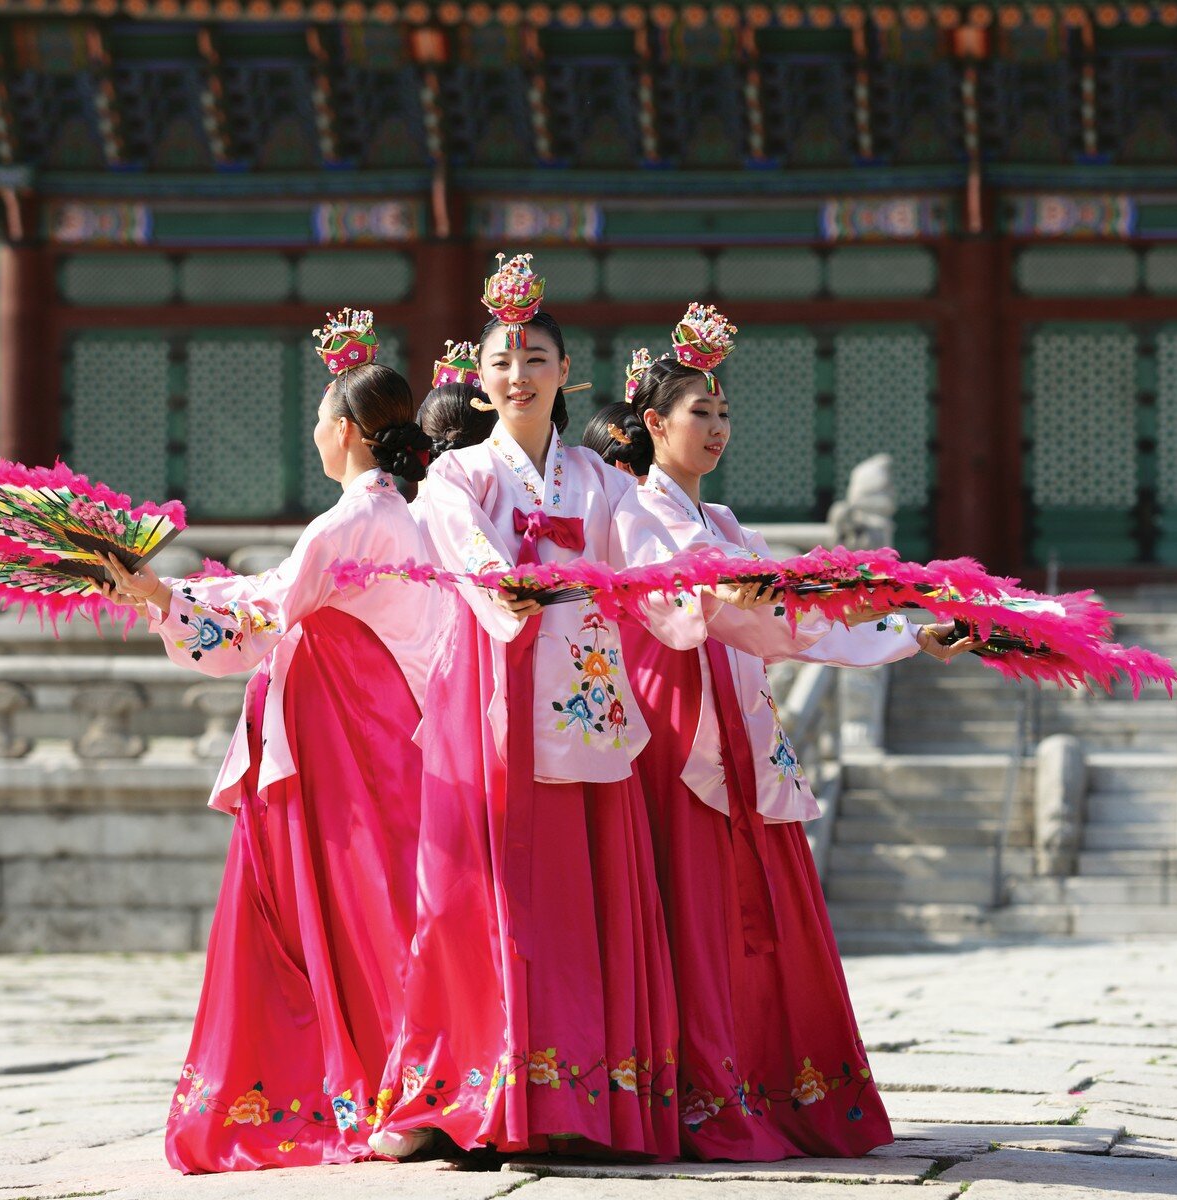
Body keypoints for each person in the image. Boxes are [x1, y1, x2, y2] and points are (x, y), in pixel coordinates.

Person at [368, 255, 762, 1162]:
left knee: (583, 889)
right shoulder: (461, 474)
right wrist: (510, 587)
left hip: (583, 698)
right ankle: (463, 1089)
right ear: (482, 374)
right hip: (492, 687)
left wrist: (704, 600)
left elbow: (658, 567)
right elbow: (463, 550)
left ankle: (582, 1094)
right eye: (503, 359)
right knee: (479, 883)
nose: (518, 373)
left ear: (564, 375)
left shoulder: (601, 477)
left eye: (536, 358)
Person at [608, 305, 983, 1162]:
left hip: (742, 727)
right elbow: (683, 611)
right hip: (676, 729)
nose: (715, 428)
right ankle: (698, 1093)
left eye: (724, 413)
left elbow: (801, 620)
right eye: (698, 412)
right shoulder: (632, 514)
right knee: (691, 906)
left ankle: (774, 1086)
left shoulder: (733, 526)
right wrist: (728, 594)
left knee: (762, 912)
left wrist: (906, 632)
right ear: (655, 424)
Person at [95, 308, 443, 1172]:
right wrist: (169, 590)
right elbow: (277, 592)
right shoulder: (402, 513)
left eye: (324, 418)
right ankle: (423, 1085)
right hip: (387, 739)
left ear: (350, 432)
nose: (316, 433)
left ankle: (383, 1093)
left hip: (347, 752)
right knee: (390, 910)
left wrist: (157, 597)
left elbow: (262, 618)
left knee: (352, 914)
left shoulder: (347, 523)